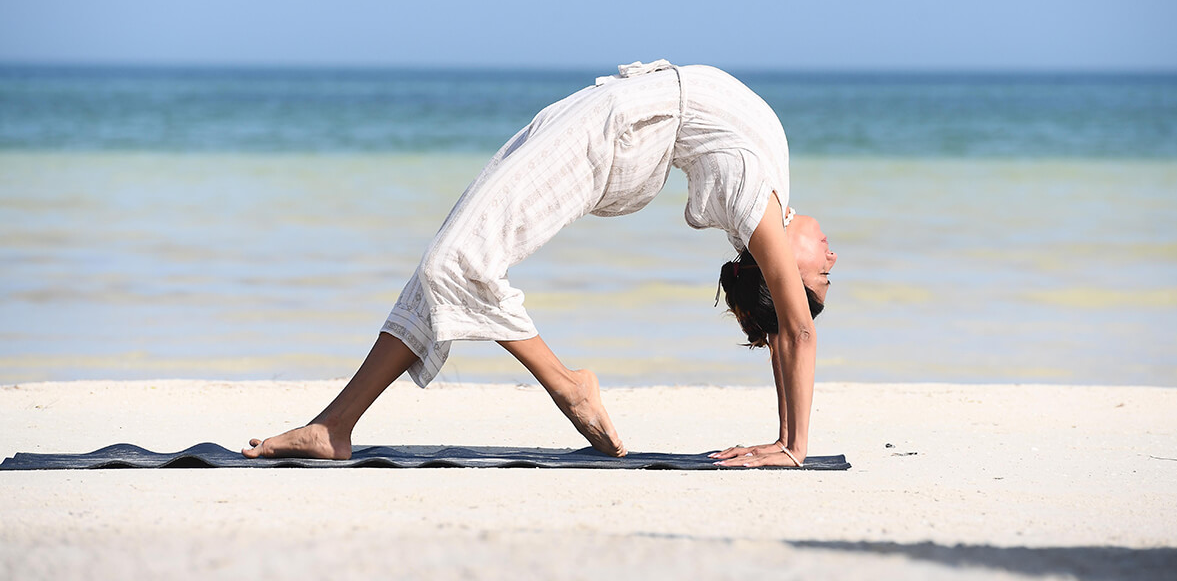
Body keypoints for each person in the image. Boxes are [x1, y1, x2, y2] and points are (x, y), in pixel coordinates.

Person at [243, 60, 837, 467]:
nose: (833, 256)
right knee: (449, 257)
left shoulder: (749, 193)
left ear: (781, 269)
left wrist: (792, 444)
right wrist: (789, 436)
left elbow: (796, 331)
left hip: (613, 130)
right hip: (601, 108)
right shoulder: (772, 192)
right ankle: (335, 426)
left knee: (457, 260)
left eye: (822, 275)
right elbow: (789, 328)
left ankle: (568, 385)